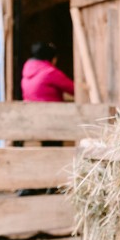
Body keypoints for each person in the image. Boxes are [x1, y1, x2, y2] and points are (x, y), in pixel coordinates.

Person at [18, 42, 74, 196]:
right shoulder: (50, 72)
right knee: (54, 151)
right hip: (52, 120)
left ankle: (34, 184)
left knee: (39, 152)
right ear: (51, 58)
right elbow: (72, 88)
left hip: (32, 120)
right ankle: (53, 184)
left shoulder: (27, 71)